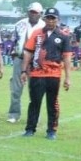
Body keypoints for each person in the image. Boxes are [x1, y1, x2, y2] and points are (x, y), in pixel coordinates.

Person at [21, 7, 72, 139]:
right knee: (34, 102)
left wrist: (68, 77)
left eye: (53, 18)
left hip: (54, 75)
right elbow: (28, 52)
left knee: (52, 103)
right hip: (37, 73)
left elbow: (67, 57)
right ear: (44, 19)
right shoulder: (37, 33)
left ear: (58, 20)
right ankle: (30, 129)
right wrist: (23, 70)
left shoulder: (63, 36)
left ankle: (51, 131)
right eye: (48, 18)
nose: (50, 21)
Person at [7, 2, 44, 123]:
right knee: (16, 88)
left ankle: (34, 116)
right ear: (28, 12)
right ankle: (14, 114)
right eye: (31, 12)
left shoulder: (44, 26)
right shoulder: (20, 24)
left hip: (36, 61)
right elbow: (14, 40)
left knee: (35, 89)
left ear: (40, 14)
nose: (33, 14)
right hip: (20, 58)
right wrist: (13, 52)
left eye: (36, 12)